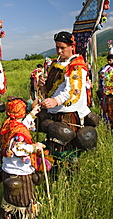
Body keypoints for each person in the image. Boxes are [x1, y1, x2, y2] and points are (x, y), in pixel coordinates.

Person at [0, 97, 51, 219]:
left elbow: (21, 126)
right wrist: (33, 147)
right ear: (20, 111)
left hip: (7, 170)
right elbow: (18, 148)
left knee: (9, 200)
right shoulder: (18, 132)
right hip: (21, 173)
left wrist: (32, 114)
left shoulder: (9, 123)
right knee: (26, 204)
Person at [38, 31, 98, 162]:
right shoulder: (56, 63)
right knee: (53, 147)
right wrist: (44, 86)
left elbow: (72, 91)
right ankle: (55, 173)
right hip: (54, 112)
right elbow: (53, 88)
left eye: (62, 48)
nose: (59, 51)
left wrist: (55, 100)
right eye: (57, 47)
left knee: (68, 148)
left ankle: (70, 177)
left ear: (72, 47)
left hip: (68, 113)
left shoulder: (76, 66)